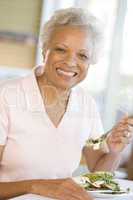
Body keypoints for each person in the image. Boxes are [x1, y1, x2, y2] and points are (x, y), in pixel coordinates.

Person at [0, 7, 133, 200]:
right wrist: (39, 186)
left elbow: (98, 175)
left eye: (83, 55)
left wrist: (113, 153)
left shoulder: (87, 105)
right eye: (61, 49)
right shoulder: (6, 96)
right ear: (45, 50)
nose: (71, 62)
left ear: (91, 61)